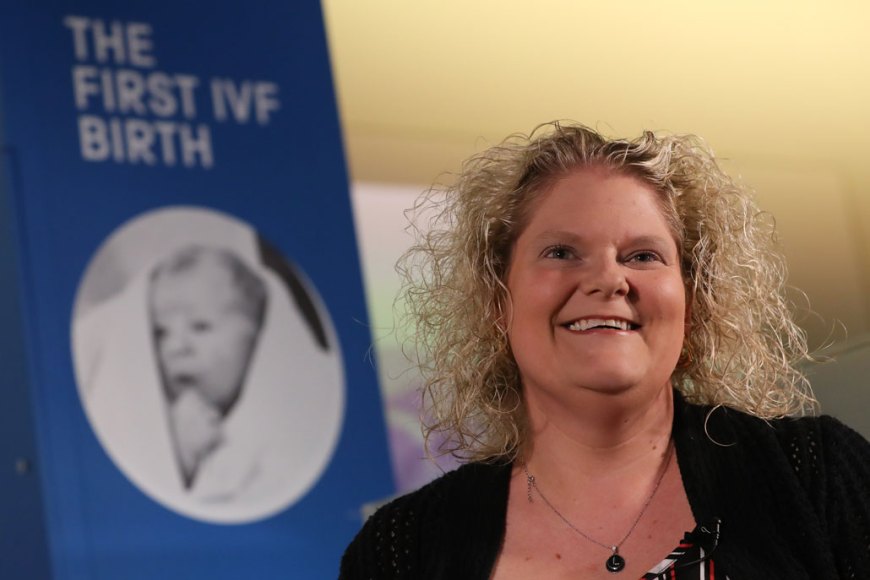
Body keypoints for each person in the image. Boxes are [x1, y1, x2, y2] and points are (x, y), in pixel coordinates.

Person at [340, 122, 870, 578]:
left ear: (694, 304)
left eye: (642, 255)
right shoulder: (401, 551)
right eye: (562, 252)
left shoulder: (813, 474)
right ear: (497, 301)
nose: (608, 278)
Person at [148, 245, 267, 490]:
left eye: (200, 326)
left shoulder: (278, 426)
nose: (176, 347)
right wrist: (179, 457)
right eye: (161, 332)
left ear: (255, 339)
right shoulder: (151, 421)